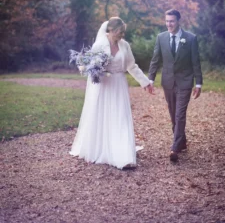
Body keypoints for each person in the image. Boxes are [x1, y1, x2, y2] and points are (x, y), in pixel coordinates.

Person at [70, 17, 153, 169]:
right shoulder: (100, 44)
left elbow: (132, 66)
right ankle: (102, 148)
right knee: (103, 115)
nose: (122, 35)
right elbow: (85, 62)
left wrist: (145, 82)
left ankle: (123, 154)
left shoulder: (125, 45)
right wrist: (89, 68)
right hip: (104, 86)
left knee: (120, 116)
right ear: (112, 31)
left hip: (119, 84)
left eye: (123, 32)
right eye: (120, 32)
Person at [148, 9, 203, 162]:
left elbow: (195, 62)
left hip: (185, 82)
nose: (169, 24)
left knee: (180, 114)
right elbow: (155, 60)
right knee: (173, 114)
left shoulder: (191, 39)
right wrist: (150, 80)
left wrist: (198, 83)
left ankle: (175, 147)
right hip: (168, 82)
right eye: (167, 21)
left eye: (172, 21)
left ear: (178, 21)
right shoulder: (161, 37)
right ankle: (182, 142)